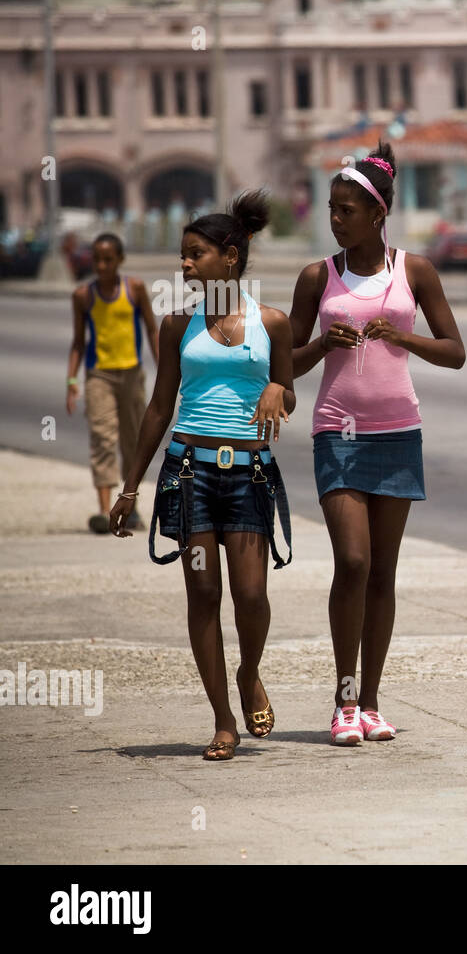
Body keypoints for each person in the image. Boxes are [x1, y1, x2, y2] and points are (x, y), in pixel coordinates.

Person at [108, 190, 296, 761]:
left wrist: (274, 387)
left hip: (249, 475)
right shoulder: (175, 325)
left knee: (252, 596)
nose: (184, 265)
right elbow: (160, 406)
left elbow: (288, 394)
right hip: (188, 475)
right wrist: (131, 485)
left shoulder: (273, 323)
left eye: (195, 254)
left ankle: (248, 673)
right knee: (204, 593)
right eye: (182, 256)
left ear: (231, 256)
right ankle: (221, 720)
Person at [289, 141, 465, 745]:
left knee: (384, 574)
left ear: (377, 215)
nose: (335, 220)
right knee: (353, 563)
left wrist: (403, 339)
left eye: (346, 211)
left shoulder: (414, 271)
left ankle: (369, 703)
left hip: (398, 433)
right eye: (332, 209)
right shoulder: (319, 276)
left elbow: (456, 352)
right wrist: (321, 345)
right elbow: (283, 363)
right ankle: (341, 702)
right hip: (337, 432)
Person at [66, 233, 160, 533]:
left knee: (133, 441)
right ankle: (105, 510)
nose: (102, 265)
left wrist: (166, 370)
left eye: (108, 259)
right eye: (97, 259)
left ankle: (130, 506)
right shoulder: (83, 295)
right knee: (102, 439)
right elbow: (79, 343)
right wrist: (71, 380)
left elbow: (152, 330)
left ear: (120, 260)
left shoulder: (135, 288)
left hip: (132, 374)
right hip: (99, 376)